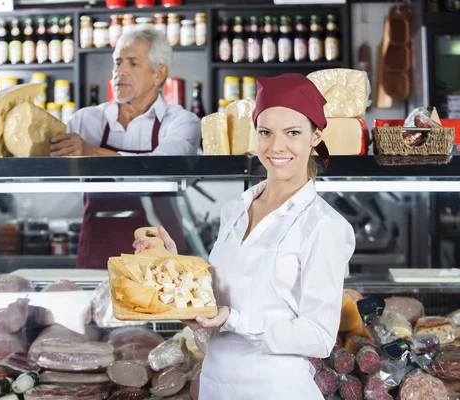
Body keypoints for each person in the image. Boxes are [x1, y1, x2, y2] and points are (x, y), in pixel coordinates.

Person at [134, 73, 356, 399]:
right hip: (215, 385)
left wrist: (236, 321)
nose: (276, 146)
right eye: (265, 132)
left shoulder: (325, 226)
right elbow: (219, 295)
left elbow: (319, 337)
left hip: (276, 389)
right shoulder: (234, 210)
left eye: (292, 133)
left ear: (315, 136)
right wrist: (173, 264)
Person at [49, 26, 201, 269]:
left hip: (161, 251)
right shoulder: (84, 120)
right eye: (118, 62)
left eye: (132, 63)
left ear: (158, 73)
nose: (120, 71)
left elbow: (162, 167)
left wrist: (91, 153)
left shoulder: (181, 122)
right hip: (99, 247)